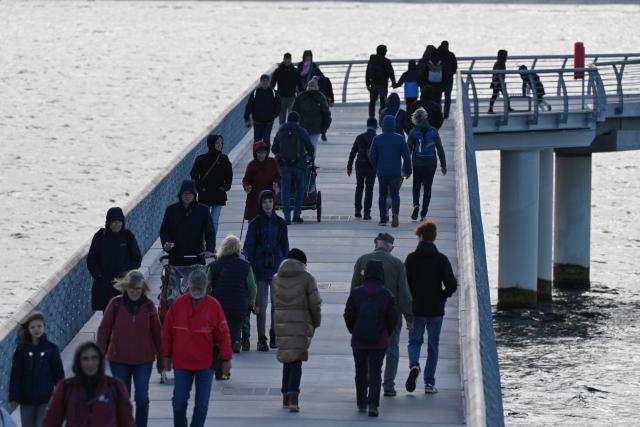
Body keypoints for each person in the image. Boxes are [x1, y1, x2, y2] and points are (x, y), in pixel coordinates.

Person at [161, 270, 232, 427]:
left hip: (205, 364)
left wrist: (226, 359)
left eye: (200, 289)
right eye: (195, 289)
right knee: (179, 402)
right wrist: (165, 356)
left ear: (205, 287)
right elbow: (167, 332)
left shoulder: (214, 306)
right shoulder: (178, 305)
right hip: (182, 362)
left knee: (201, 406)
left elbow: (223, 333)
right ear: (189, 287)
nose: (197, 292)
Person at [350, 233, 413, 398]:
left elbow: (354, 289)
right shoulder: (398, 264)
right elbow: (404, 295)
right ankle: (389, 386)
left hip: (366, 316)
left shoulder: (362, 260)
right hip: (392, 314)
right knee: (392, 349)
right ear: (391, 247)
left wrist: (354, 315)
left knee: (368, 349)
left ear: (375, 243)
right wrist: (409, 318)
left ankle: (370, 381)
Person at [96, 270, 161, 427]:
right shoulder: (115, 304)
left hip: (143, 360)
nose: (134, 291)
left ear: (143, 288)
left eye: (138, 288)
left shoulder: (149, 306)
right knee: (123, 399)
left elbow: (158, 334)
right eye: (131, 288)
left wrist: (162, 360)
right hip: (119, 360)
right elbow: (103, 331)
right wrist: (99, 357)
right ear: (125, 287)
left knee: (142, 397)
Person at [404, 221, 457, 394]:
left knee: (414, 341)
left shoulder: (411, 259)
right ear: (434, 238)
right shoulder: (441, 259)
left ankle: (414, 365)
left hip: (416, 308)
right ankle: (429, 383)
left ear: (419, 237)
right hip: (436, 309)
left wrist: (408, 303)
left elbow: (405, 285)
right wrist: (443, 296)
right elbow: (452, 284)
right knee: (433, 346)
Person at [344, 260, 397, 417]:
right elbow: (392, 318)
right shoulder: (386, 294)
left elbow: (348, 315)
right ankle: (373, 404)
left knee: (360, 371)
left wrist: (354, 330)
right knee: (375, 372)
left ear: (365, 274)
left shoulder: (356, 293)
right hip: (379, 341)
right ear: (381, 274)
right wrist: (386, 332)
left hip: (359, 340)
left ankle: (361, 402)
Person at [272, 249, 322, 413]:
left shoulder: (276, 278)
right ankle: (293, 397)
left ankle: (286, 395)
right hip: (300, 324)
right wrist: (316, 321)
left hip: (281, 323)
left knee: (287, 358)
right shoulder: (307, 278)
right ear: (302, 263)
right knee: (296, 360)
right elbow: (315, 303)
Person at [42, 342, 135, 427]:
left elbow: (127, 421)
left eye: (94, 358)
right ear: (79, 362)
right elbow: (51, 421)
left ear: (100, 361)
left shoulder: (115, 386)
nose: (90, 363)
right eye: (85, 359)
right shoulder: (65, 387)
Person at [243, 190, 290, 351]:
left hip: (276, 267)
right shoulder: (255, 223)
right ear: (260, 204)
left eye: (270, 201)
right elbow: (248, 247)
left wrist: (285, 265)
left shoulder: (280, 223)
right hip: (260, 268)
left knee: (277, 304)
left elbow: (285, 246)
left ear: (274, 203)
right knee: (260, 305)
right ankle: (261, 338)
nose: (268, 205)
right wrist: (250, 267)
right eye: (264, 202)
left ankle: (274, 334)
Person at [159, 179, 215, 308]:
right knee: (172, 296)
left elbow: (210, 232)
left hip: (196, 258)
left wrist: (210, 249)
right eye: (185, 193)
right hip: (176, 258)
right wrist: (166, 243)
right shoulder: (171, 210)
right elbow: (164, 231)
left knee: (198, 295)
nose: (187, 196)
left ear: (195, 195)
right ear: (180, 194)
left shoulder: (203, 210)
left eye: (190, 193)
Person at [207, 234, 257, 363]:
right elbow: (252, 287)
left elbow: (206, 285)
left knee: (219, 333)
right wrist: (251, 302)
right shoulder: (246, 265)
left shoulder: (214, 266)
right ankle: (235, 341)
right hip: (239, 306)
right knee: (234, 330)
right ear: (238, 249)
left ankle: (221, 357)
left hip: (219, 305)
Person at [9, 312, 64, 427]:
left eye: (39, 326)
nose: (36, 330)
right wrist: (13, 397)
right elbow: (15, 375)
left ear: (44, 327)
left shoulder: (51, 349)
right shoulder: (21, 350)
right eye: (32, 327)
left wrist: (62, 394)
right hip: (26, 398)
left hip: (46, 397)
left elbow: (58, 374)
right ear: (28, 329)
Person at [87, 207, 142, 312]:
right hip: (105, 285)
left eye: (119, 222)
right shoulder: (100, 237)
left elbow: (137, 259)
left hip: (123, 284)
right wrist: (99, 276)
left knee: (124, 314)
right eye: (114, 222)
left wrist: (126, 274)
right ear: (108, 223)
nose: (117, 225)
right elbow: (91, 261)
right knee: (108, 315)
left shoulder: (127, 236)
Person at [272, 111, 315, 224]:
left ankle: (286, 218)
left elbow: (274, 149)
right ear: (298, 121)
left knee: (285, 190)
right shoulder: (302, 131)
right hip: (299, 166)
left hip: (284, 166)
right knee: (300, 189)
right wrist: (309, 155)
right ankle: (296, 215)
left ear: (287, 120)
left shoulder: (281, 130)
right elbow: (311, 148)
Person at [368, 116, 412, 227]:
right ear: (394, 125)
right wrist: (408, 170)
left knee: (382, 195)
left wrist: (375, 166)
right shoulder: (400, 138)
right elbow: (407, 157)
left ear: (382, 125)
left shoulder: (377, 139)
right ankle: (395, 215)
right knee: (395, 195)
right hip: (395, 173)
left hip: (382, 172)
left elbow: (371, 156)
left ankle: (383, 219)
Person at [407, 107, 447, 222]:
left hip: (417, 163)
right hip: (431, 163)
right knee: (428, 188)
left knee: (416, 185)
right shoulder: (433, 131)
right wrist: (443, 165)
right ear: (426, 118)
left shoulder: (413, 132)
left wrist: (406, 167)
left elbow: (407, 151)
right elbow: (440, 149)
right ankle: (423, 214)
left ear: (415, 119)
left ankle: (416, 205)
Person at [190, 134, 233, 234]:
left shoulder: (224, 158)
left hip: (218, 193)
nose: (220, 145)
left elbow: (229, 174)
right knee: (204, 220)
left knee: (214, 221)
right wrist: (200, 188)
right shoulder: (201, 159)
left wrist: (226, 187)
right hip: (205, 194)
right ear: (211, 143)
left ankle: (211, 244)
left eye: (221, 143)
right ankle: (204, 242)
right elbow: (193, 174)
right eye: (218, 143)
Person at [242, 140, 281, 222]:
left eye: (263, 153)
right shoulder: (251, 165)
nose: (261, 155)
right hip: (254, 197)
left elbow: (278, 176)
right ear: (255, 153)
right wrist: (247, 187)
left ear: (266, 153)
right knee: (253, 221)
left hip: (268, 197)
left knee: (268, 219)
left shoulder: (272, 162)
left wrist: (276, 183)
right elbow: (245, 180)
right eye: (259, 153)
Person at [347, 118, 377, 220]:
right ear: (376, 127)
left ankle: (357, 210)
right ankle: (367, 213)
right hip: (372, 166)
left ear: (367, 125)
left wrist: (349, 167)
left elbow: (353, 152)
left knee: (359, 187)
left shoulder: (359, 137)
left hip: (359, 164)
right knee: (369, 189)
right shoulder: (377, 138)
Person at [292, 77, 331, 152]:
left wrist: (324, 128)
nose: (311, 88)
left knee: (312, 146)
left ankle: (311, 161)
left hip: (315, 128)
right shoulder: (301, 97)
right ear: (307, 87)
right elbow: (294, 111)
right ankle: (303, 161)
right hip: (302, 127)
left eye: (313, 86)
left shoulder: (321, 97)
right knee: (302, 147)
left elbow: (326, 113)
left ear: (317, 87)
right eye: (310, 86)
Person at [244, 74, 281, 148]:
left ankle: (265, 156)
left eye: (266, 81)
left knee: (266, 140)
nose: (265, 82)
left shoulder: (274, 93)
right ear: (260, 82)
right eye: (263, 81)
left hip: (268, 122)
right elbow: (249, 106)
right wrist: (246, 118)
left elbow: (278, 106)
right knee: (257, 140)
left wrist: (274, 115)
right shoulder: (255, 93)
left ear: (269, 82)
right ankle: (257, 157)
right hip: (257, 122)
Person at [366, 45, 396, 119]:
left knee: (372, 101)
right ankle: (382, 116)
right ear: (384, 51)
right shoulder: (386, 61)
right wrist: (394, 83)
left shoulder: (372, 60)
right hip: (383, 84)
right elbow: (391, 73)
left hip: (373, 83)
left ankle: (371, 116)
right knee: (383, 101)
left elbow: (367, 72)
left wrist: (367, 83)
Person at [271, 53, 300, 125]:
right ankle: (282, 130)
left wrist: (298, 92)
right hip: (281, 97)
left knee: (292, 115)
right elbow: (273, 83)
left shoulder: (295, 71)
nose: (287, 61)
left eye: (289, 60)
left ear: (291, 60)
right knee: (282, 116)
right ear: (283, 60)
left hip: (292, 97)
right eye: (286, 60)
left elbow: (299, 83)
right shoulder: (278, 71)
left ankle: (292, 128)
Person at [438, 41, 458, 119]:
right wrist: (450, 73)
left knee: (438, 97)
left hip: (439, 80)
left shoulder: (438, 54)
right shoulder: (451, 55)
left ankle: (439, 113)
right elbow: (455, 67)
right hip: (449, 80)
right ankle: (446, 114)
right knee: (447, 98)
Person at [488, 49, 511, 114]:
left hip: (500, 82)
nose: (507, 57)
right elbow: (496, 73)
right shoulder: (499, 63)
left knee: (501, 95)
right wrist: (495, 81)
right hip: (498, 82)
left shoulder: (500, 63)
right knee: (496, 95)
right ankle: (490, 109)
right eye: (506, 55)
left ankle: (508, 107)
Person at [314, 70, 335, 141]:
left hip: (317, 102)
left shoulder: (313, 81)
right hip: (324, 101)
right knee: (324, 117)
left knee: (319, 118)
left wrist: (332, 100)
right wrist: (332, 100)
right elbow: (330, 90)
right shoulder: (326, 80)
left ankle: (321, 133)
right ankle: (323, 133)